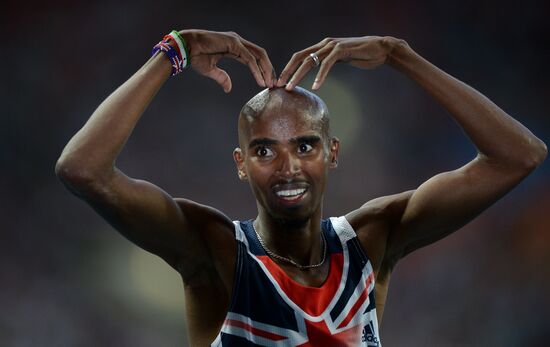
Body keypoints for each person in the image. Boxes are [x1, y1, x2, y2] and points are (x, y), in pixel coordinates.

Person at [55, 29, 547, 346]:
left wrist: (402, 56)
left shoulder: (374, 239)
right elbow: (82, 168)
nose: (288, 167)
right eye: (265, 150)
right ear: (241, 164)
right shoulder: (215, 252)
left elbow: (519, 155)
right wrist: (174, 52)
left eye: (306, 146)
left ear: (333, 152)